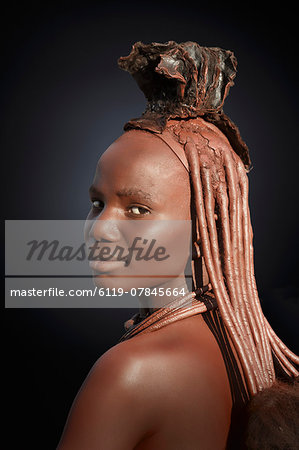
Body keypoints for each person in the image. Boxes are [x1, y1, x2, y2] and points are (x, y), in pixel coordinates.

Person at [57, 41, 298, 449]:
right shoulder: (232, 346)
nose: (100, 229)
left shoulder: (129, 372)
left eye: (137, 210)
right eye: (98, 203)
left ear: (204, 225)